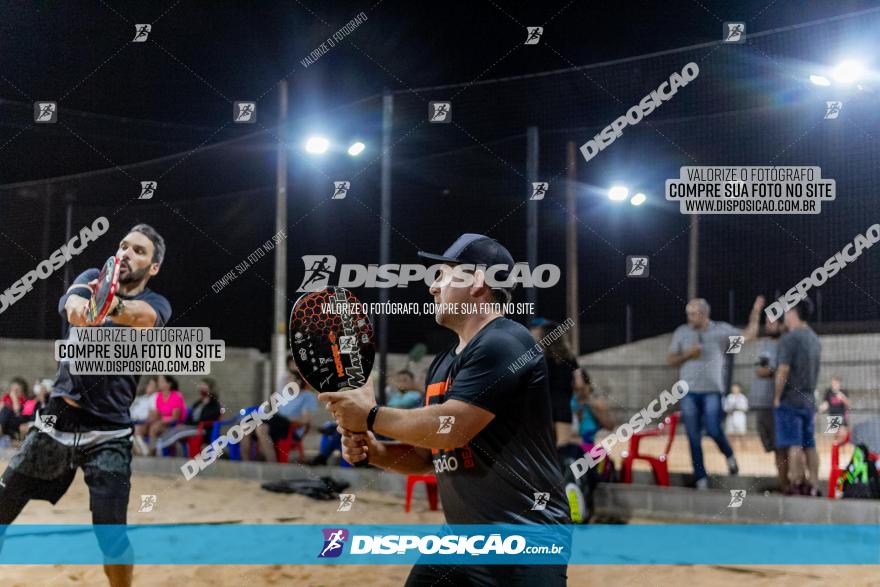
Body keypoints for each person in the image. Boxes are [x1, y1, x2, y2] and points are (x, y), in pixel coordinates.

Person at [321, 233, 569, 586]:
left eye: (442, 275)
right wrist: (374, 452)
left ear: (477, 282)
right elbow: (429, 454)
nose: (432, 288)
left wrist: (370, 416)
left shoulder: (507, 341)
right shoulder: (443, 363)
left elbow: (453, 427)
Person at [0, 223, 171, 587]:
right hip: (56, 422)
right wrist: (89, 306)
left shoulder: (156, 304)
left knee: (112, 538)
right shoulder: (93, 276)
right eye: (123, 245)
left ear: (153, 267)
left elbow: (141, 317)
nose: (126, 253)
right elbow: (75, 306)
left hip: (109, 434)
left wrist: (110, 305)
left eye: (138, 250)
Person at [667, 296, 764, 489]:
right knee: (693, 436)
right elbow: (670, 360)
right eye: (688, 314)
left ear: (704, 314)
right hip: (688, 393)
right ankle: (700, 477)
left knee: (713, 429)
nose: (689, 318)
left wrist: (755, 313)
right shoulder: (682, 332)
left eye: (693, 314)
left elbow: (749, 335)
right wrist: (688, 354)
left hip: (712, 391)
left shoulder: (720, 331)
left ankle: (729, 455)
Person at [774, 297, 822, 497]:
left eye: (786, 311)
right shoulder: (814, 338)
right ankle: (814, 485)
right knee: (810, 445)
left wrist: (777, 396)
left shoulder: (789, 339)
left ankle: (795, 483)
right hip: (809, 398)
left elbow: (783, 370)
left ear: (793, 313)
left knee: (794, 444)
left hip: (791, 398)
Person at [242, 371, 317, 462]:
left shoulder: (307, 396)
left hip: (290, 428)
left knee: (262, 426)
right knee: (246, 427)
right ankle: (246, 462)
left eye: (289, 378)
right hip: (277, 423)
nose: (285, 380)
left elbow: (305, 420)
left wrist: (287, 418)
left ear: (298, 382)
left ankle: (272, 464)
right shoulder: (284, 396)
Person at [750, 315, 788, 491]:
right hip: (761, 403)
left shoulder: (786, 344)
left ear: (781, 325)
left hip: (776, 403)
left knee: (782, 446)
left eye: (771, 322)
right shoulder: (765, 344)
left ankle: (787, 484)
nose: (767, 325)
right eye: (766, 322)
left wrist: (773, 371)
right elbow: (760, 370)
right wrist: (773, 370)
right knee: (774, 446)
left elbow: (783, 370)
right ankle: (782, 482)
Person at [530, 321, 579, 447]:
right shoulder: (570, 358)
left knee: (543, 447)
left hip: (542, 406)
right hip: (563, 405)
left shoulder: (537, 358)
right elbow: (580, 384)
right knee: (563, 448)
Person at [154, 378, 223, 454]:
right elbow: (190, 417)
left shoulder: (214, 404)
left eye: (204, 386)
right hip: (192, 427)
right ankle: (159, 446)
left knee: (179, 432)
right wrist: (184, 424)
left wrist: (187, 425)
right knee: (175, 429)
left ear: (210, 389)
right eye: (201, 386)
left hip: (203, 429)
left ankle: (159, 447)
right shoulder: (198, 403)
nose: (201, 388)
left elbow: (206, 418)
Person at [145, 375, 186, 455]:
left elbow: (175, 418)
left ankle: (151, 452)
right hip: (162, 424)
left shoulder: (176, 396)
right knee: (146, 426)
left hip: (176, 425)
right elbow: (158, 414)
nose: (159, 383)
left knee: (154, 428)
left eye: (162, 381)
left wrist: (161, 421)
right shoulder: (159, 396)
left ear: (169, 384)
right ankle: (149, 450)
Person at [131, 376, 158, 455]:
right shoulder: (141, 398)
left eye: (151, 385)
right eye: (148, 384)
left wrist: (145, 422)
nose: (148, 386)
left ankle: (144, 452)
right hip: (132, 421)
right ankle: (139, 450)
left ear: (157, 388)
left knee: (135, 429)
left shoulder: (155, 397)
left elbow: (153, 416)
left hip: (143, 422)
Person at [819, 376, 850, 441]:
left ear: (839, 383)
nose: (834, 384)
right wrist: (820, 409)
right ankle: (836, 447)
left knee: (842, 433)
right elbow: (826, 403)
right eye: (833, 382)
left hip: (842, 414)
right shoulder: (828, 392)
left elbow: (848, 404)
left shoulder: (843, 391)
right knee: (836, 435)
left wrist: (842, 397)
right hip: (833, 414)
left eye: (836, 382)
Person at [723, 383, 749, 450]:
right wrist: (730, 409)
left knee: (742, 433)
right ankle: (731, 448)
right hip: (731, 416)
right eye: (733, 388)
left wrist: (738, 408)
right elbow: (725, 408)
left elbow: (746, 408)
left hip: (740, 416)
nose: (735, 389)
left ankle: (744, 447)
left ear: (739, 389)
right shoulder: (729, 397)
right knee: (730, 434)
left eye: (736, 388)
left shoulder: (742, 397)